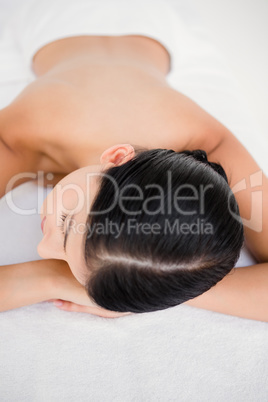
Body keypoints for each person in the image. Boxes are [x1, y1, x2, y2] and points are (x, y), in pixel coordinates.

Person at [0, 0, 267, 320]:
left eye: (68, 266)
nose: (44, 250)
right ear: (116, 158)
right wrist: (51, 278)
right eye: (67, 223)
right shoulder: (21, 137)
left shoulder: (195, 162)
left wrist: (154, 289)